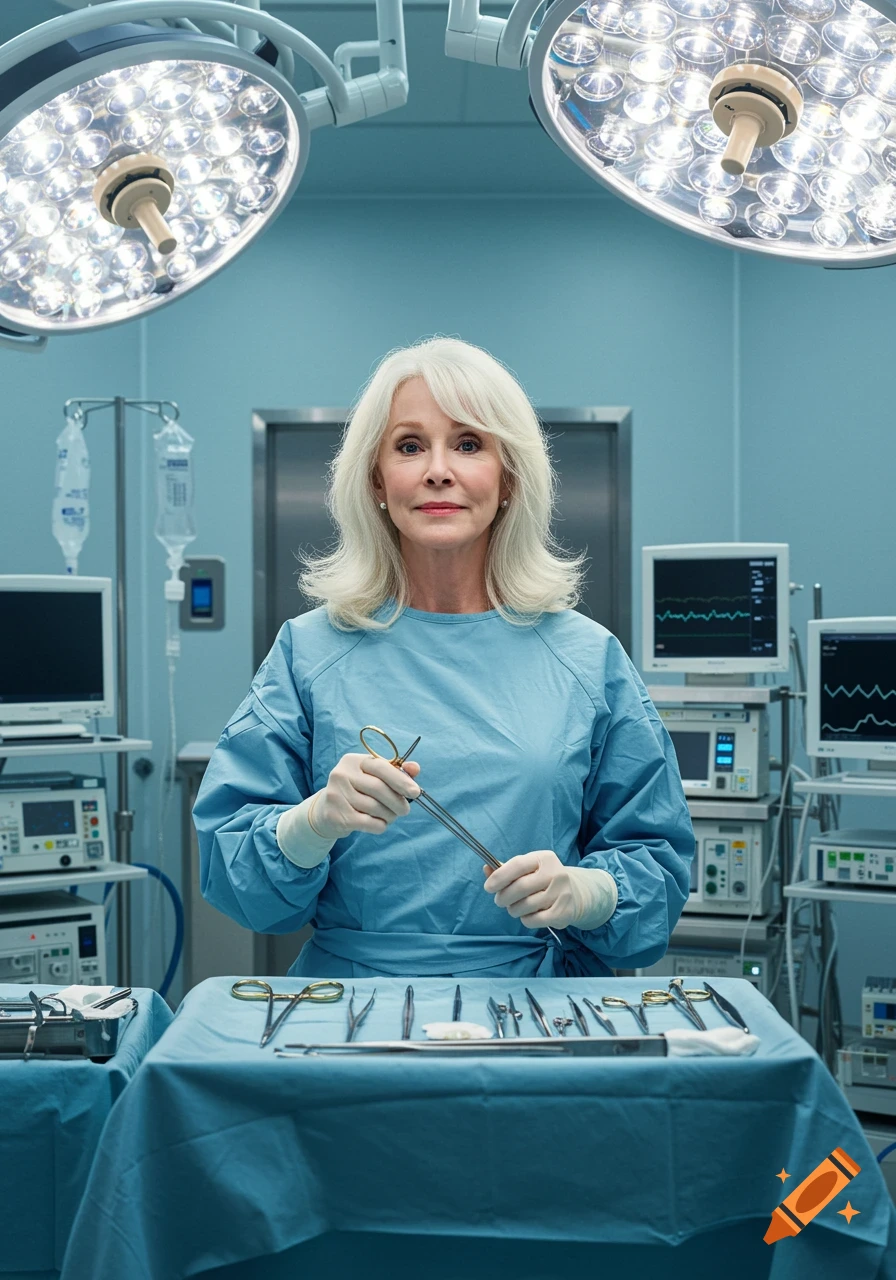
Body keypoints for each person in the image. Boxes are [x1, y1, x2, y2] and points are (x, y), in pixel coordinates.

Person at [193, 337, 694, 978]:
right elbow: (235, 873)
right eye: (408, 446)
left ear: (508, 476)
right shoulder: (309, 651)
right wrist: (310, 824)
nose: (437, 470)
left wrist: (588, 893)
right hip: (351, 1004)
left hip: (536, 1003)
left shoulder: (587, 658)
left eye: (467, 444)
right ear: (376, 479)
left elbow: (656, 860)